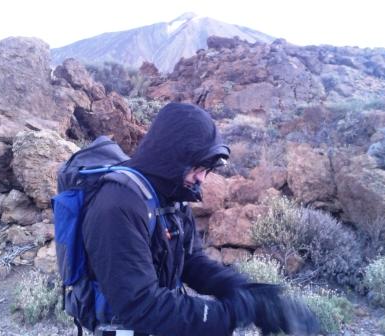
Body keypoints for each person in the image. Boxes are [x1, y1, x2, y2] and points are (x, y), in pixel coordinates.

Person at [82, 102, 319, 336]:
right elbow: (141, 306)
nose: (202, 179)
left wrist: (246, 292)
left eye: (207, 170)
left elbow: (191, 261)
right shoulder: (116, 206)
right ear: (171, 156)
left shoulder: (170, 196)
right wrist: (233, 313)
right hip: (127, 327)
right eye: (197, 167)